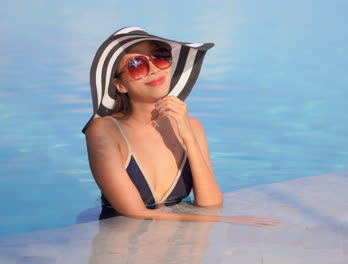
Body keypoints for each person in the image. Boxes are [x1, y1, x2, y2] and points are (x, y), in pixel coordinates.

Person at [83, 26, 280, 227]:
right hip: (122, 241)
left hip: (173, 237)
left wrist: (188, 136)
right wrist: (228, 220)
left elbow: (211, 203)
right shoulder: (103, 131)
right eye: (136, 65)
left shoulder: (192, 126)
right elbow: (134, 212)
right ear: (120, 85)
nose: (154, 69)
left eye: (160, 56)